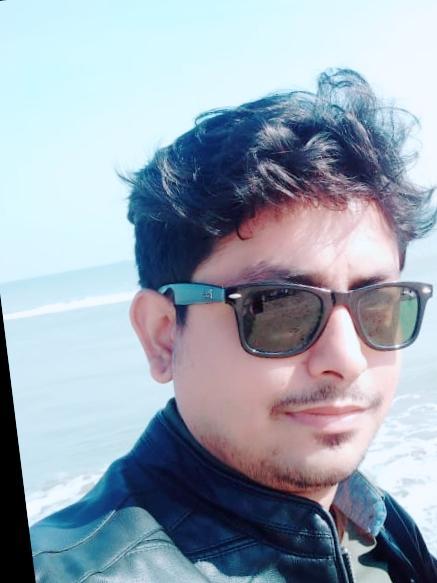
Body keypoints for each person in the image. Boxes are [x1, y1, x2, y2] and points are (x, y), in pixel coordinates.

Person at [30, 69, 437, 582]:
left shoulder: (367, 516)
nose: (348, 359)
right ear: (162, 335)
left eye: (378, 305)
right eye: (280, 308)